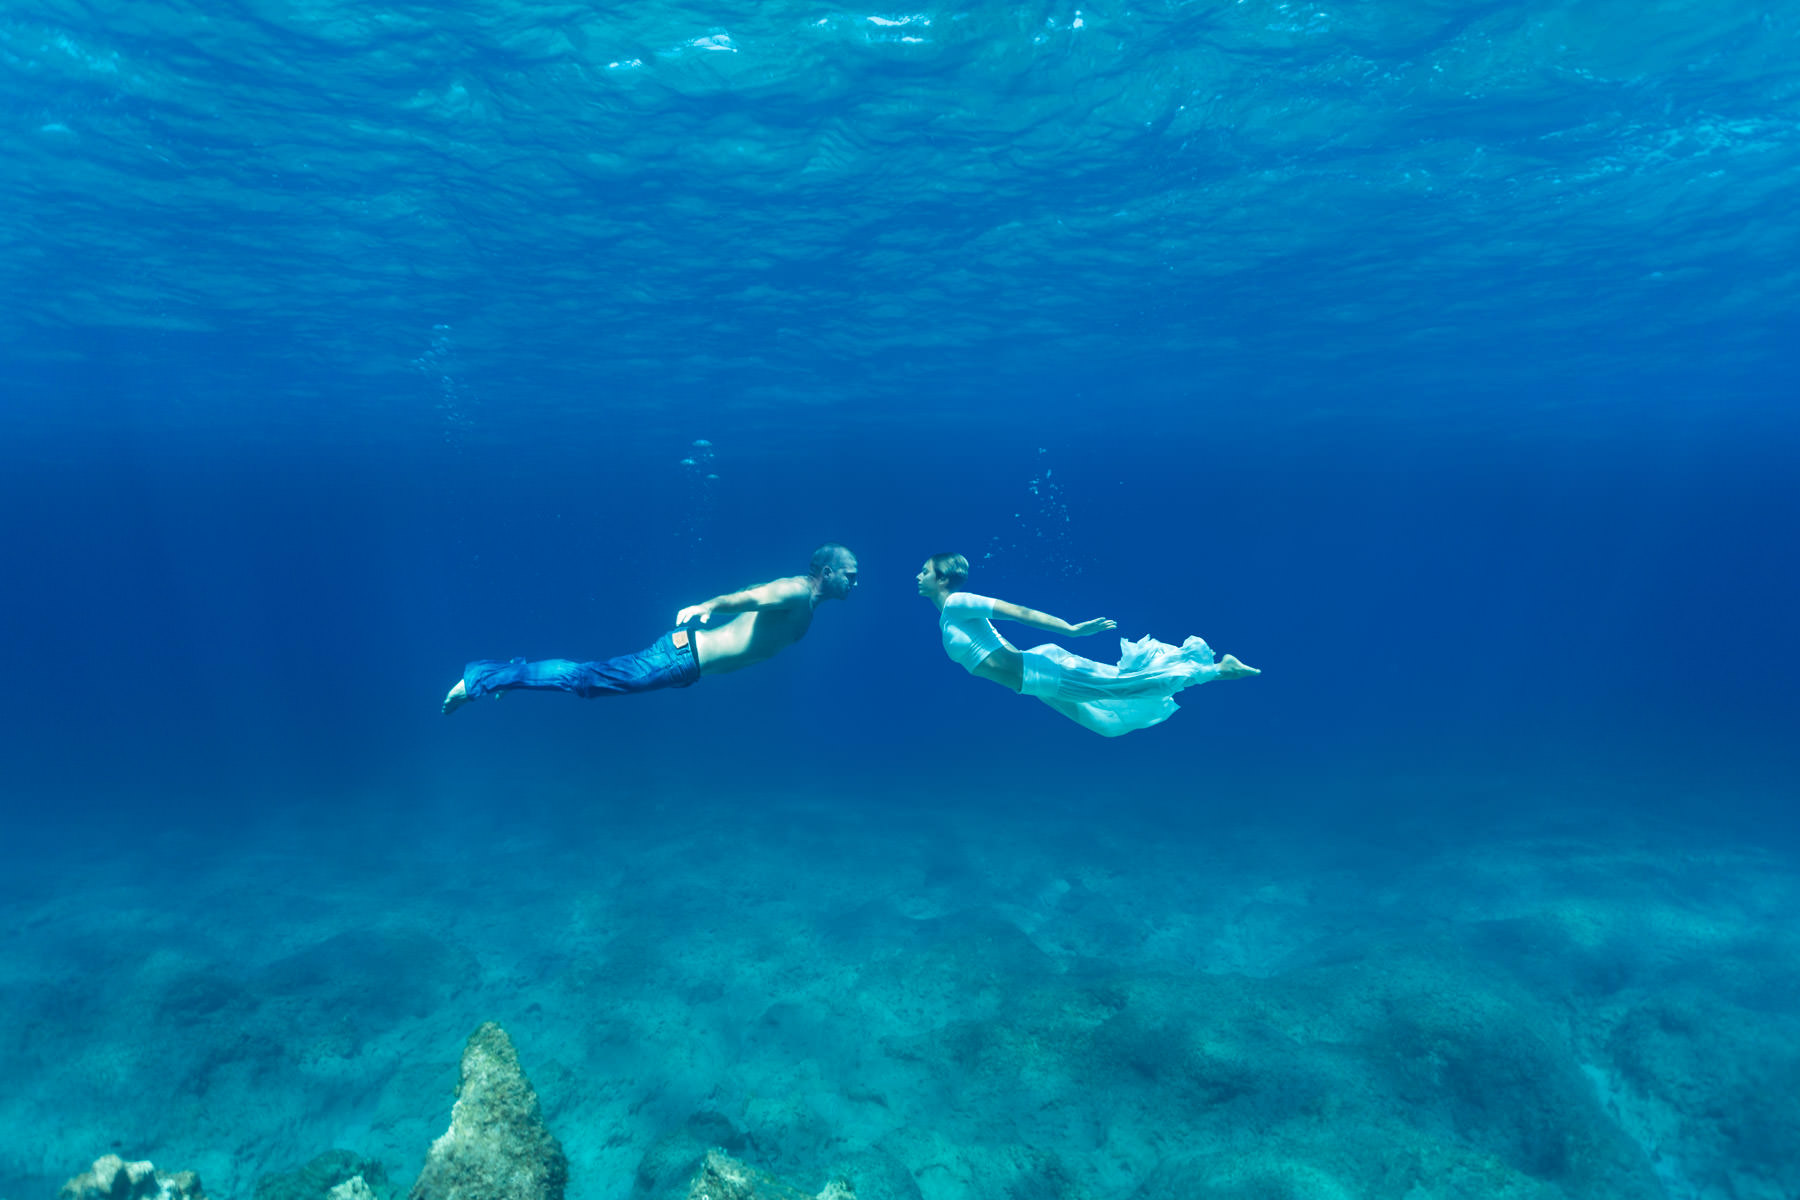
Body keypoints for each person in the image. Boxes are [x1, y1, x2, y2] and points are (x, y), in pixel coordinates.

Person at [443, 544, 859, 714]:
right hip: (680, 657)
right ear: (827, 571)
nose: (854, 583)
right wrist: (708, 605)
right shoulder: (795, 591)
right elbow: (752, 597)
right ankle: (482, 676)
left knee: (588, 680)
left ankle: (511, 673)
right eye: (850, 575)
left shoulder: (804, 603)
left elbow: (755, 598)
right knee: (585, 680)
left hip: (687, 667)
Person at [916, 552, 1258, 736]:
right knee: (1108, 725)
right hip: (1032, 683)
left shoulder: (957, 602)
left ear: (943, 579)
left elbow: (1017, 612)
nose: (919, 576)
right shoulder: (948, 616)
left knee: (1124, 687)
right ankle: (1206, 670)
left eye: (925, 571)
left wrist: (1070, 630)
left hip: (1041, 671)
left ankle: (1217, 669)